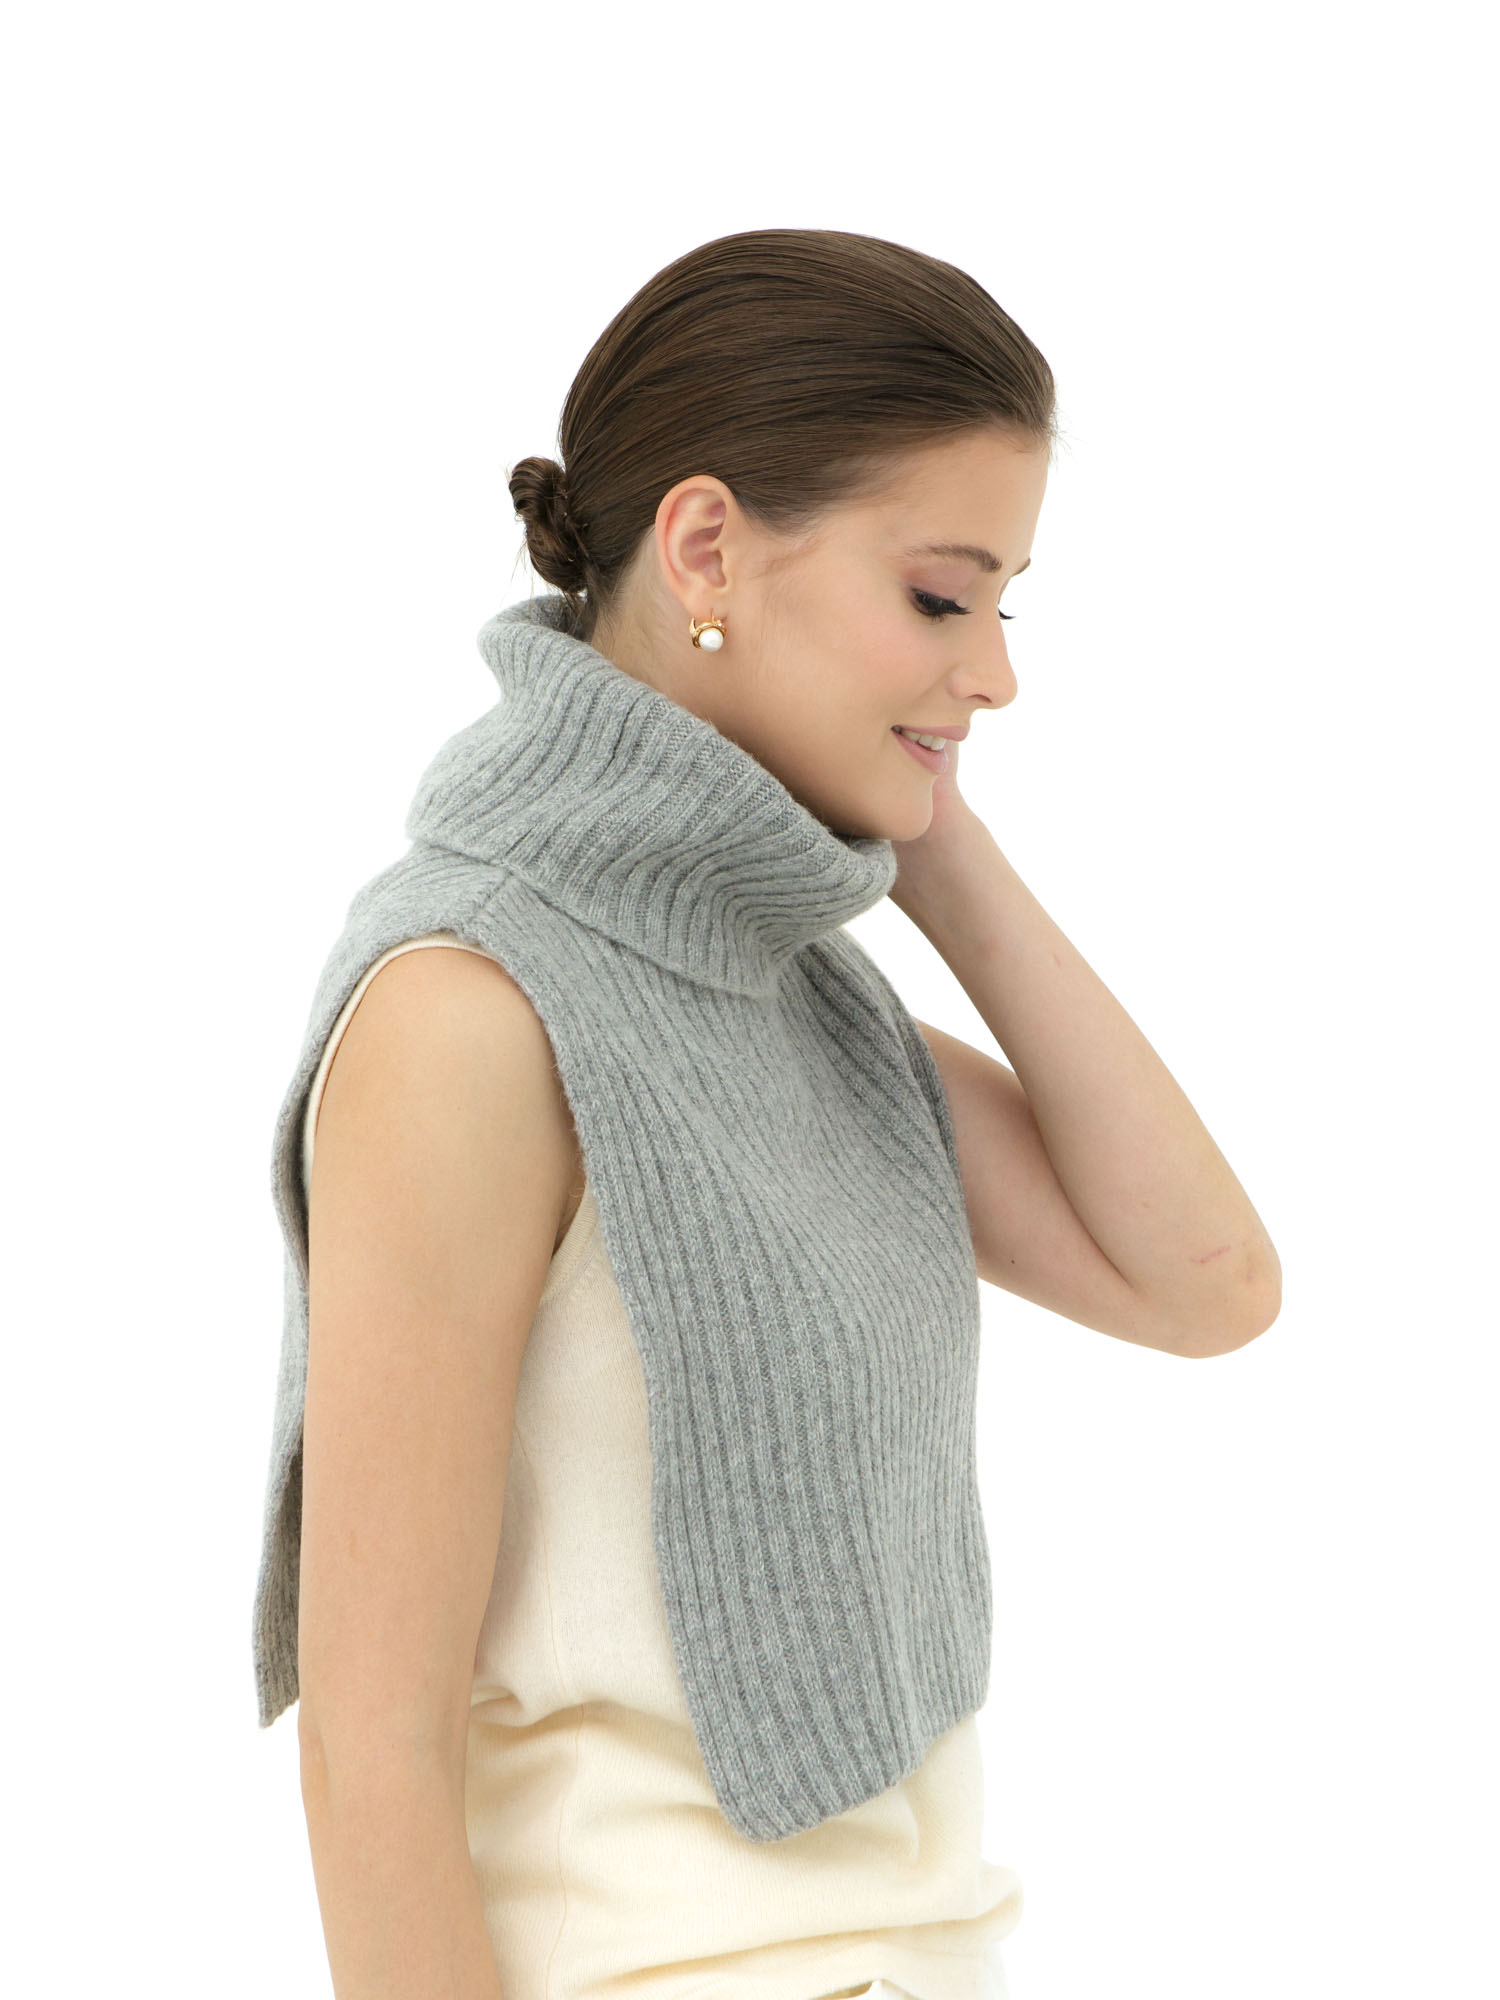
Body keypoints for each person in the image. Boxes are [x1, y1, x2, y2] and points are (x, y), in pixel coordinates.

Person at [259, 226, 1281, 2000]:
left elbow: (1203, 1284)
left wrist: (931, 835)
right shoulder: (471, 1008)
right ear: (707, 548)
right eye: (943, 599)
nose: (999, 672)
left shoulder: (787, 988)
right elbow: (373, 1750)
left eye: (1009, 606)